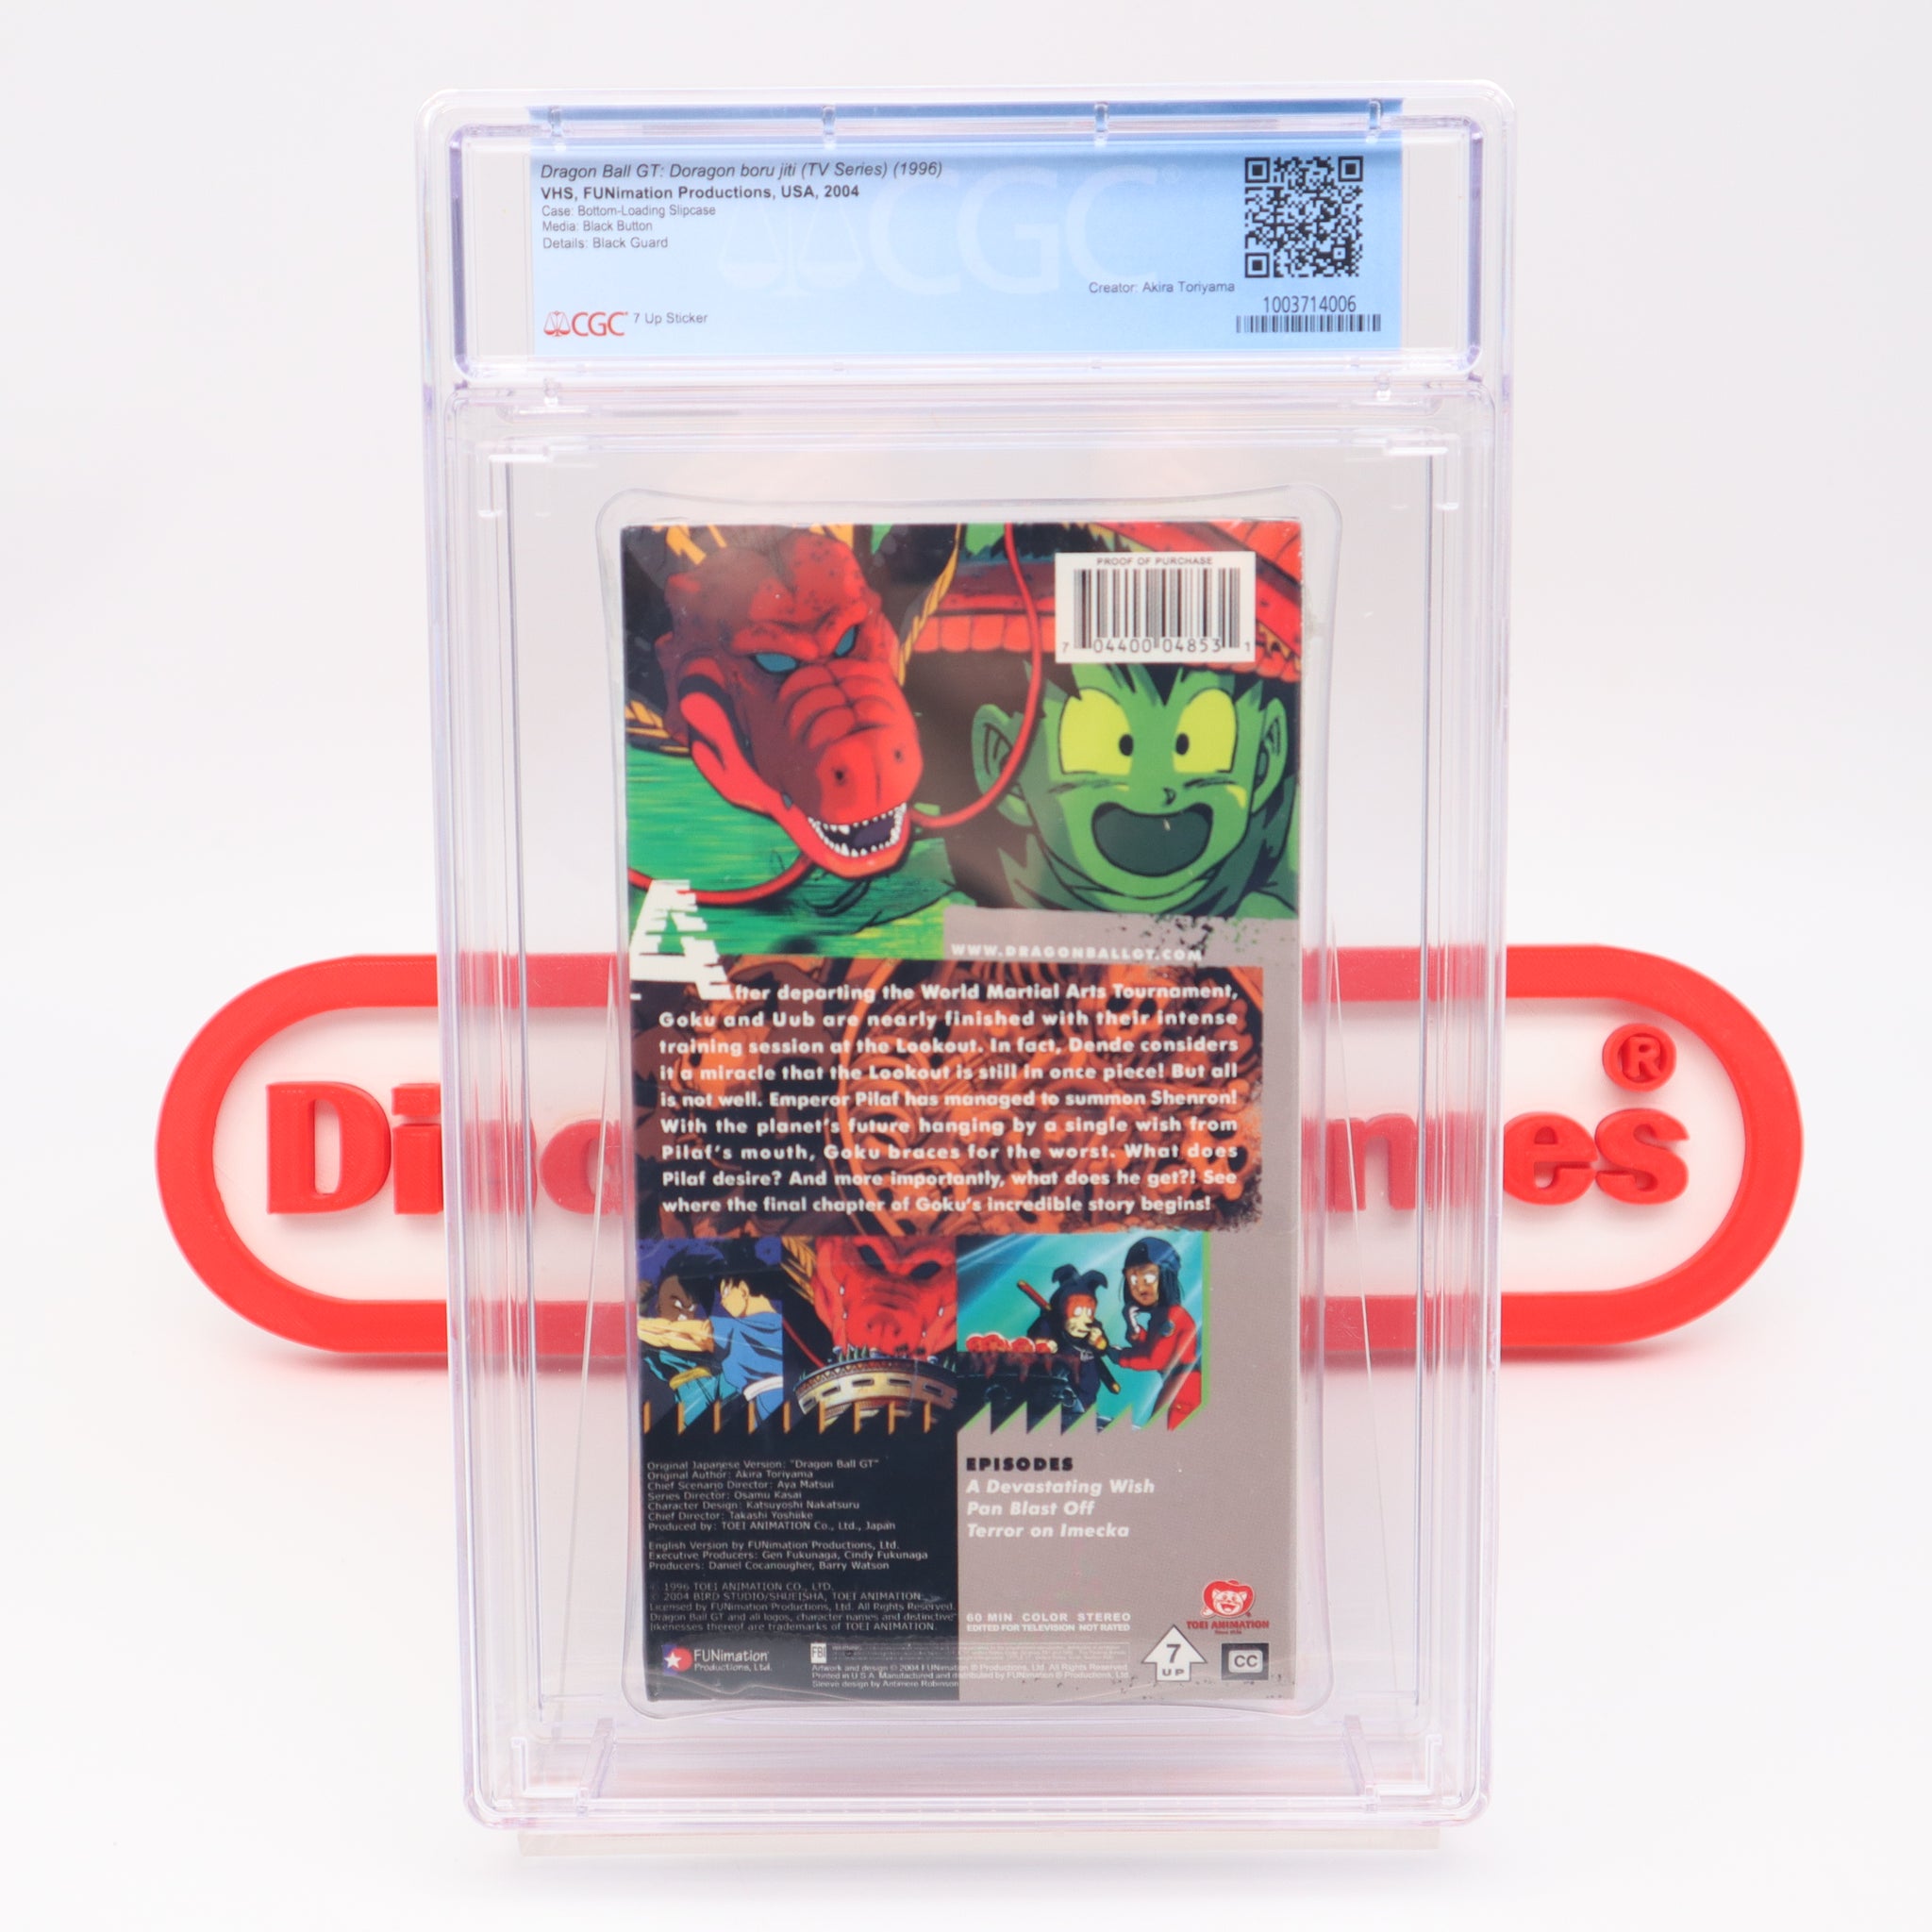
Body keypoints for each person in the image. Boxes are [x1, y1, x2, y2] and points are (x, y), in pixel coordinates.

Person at [1114, 1237, 1202, 1429]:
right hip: (1177, 1383)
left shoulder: (1172, 1316)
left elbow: (1156, 1359)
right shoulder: (1162, 1314)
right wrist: (1132, 1325)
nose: (1139, 1287)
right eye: (1133, 1279)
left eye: (1148, 1278)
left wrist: (1121, 1357)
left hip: (1184, 1386)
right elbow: (1153, 1346)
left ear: (1165, 1277)